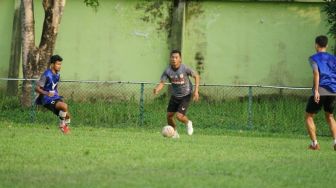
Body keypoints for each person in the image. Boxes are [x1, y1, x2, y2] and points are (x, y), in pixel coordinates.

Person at [154, 50, 200, 138]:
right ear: (170, 59)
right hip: (175, 95)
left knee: (179, 116)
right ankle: (174, 133)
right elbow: (162, 83)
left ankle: (188, 122)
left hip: (186, 95)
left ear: (180, 59)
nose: (174, 59)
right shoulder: (167, 71)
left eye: (176, 57)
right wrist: (157, 89)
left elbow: (196, 76)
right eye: (172, 57)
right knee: (169, 116)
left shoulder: (185, 68)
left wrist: (196, 91)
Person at [305, 35, 336, 150]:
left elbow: (316, 73)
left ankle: (314, 144)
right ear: (327, 45)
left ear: (316, 45)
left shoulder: (313, 58)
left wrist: (316, 90)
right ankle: (335, 141)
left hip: (321, 89)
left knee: (309, 116)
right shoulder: (334, 58)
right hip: (333, 91)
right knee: (330, 116)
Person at [35, 55, 71, 134]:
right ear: (52, 64)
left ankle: (65, 129)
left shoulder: (58, 75)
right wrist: (47, 93)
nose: (59, 66)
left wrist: (56, 94)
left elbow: (54, 87)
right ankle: (61, 124)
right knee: (64, 106)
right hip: (47, 99)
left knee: (67, 116)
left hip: (55, 98)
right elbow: (37, 88)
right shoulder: (46, 75)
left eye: (60, 64)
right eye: (57, 64)